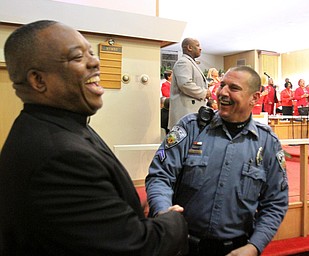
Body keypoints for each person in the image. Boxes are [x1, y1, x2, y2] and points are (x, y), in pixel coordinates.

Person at [0, 20, 188, 256]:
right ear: (38, 80)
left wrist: (121, 201)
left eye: (91, 52)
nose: (95, 61)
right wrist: (174, 221)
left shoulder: (62, 124)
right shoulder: (60, 158)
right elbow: (139, 247)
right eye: (77, 57)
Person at [146, 66, 288, 256]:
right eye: (222, 85)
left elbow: (275, 202)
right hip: (181, 246)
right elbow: (160, 176)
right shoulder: (190, 128)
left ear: (254, 98)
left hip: (235, 249)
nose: (222, 92)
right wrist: (163, 211)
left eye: (233, 88)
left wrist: (254, 246)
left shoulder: (268, 143)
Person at [168, 38, 211, 129]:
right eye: (197, 45)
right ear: (189, 47)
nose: (200, 48)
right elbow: (185, 84)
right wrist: (204, 93)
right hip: (186, 112)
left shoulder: (189, 62)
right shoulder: (183, 62)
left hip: (193, 110)